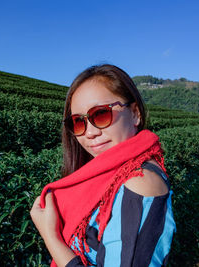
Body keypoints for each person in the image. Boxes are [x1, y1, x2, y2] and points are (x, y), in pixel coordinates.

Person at [30, 64, 176, 267]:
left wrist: (50, 237)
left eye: (100, 115)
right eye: (78, 122)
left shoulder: (140, 185)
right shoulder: (107, 173)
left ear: (135, 113)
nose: (89, 133)